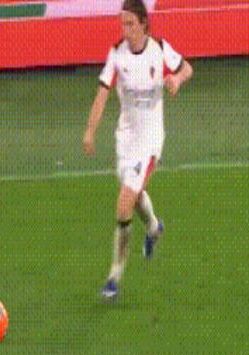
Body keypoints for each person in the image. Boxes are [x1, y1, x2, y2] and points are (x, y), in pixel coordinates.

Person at [82, 0, 192, 300]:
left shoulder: (159, 49)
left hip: (151, 139)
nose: (126, 29)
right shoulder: (117, 54)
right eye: (123, 24)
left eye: (130, 23)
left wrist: (176, 79)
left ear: (143, 23)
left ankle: (114, 276)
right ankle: (154, 227)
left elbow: (186, 68)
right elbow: (102, 93)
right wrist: (90, 131)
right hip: (126, 137)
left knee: (124, 203)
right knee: (134, 193)